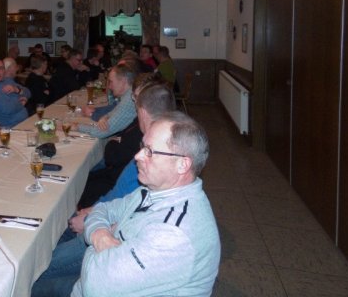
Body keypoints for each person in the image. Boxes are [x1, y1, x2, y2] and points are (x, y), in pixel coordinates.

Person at [31, 84, 176, 297]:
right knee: (55, 225)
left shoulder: (158, 163)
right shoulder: (162, 147)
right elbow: (127, 200)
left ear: (143, 112)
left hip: (107, 249)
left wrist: (93, 221)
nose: (138, 156)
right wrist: (93, 211)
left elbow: (127, 225)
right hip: (105, 219)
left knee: (36, 271)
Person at [71, 113, 220, 297]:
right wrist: (101, 235)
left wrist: (97, 235)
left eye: (149, 151)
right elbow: (103, 208)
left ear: (182, 165)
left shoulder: (174, 233)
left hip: (92, 285)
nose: (137, 156)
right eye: (143, 146)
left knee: (42, 278)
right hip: (96, 280)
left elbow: (95, 286)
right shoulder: (152, 190)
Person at [78, 81, 175, 208]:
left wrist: (91, 212)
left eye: (136, 100)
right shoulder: (170, 140)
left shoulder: (146, 151)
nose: (133, 102)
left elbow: (123, 197)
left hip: (112, 199)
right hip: (116, 193)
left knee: (83, 181)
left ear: (143, 112)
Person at [74, 64, 136, 139]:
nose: (109, 86)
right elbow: (115, 110)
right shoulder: (129, 94)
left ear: (123, 81)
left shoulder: (129, 100)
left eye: (111, 82)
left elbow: (99, 132)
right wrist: (105, 117)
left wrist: (76, 126)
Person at [0, 57, 30, 127]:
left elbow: (28, 92)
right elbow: (8, 108)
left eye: (0, 68)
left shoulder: (7, 80)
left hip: (25, 121)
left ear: (4, 70)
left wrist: (16, 89)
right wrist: (22, 101)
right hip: (11, 127)